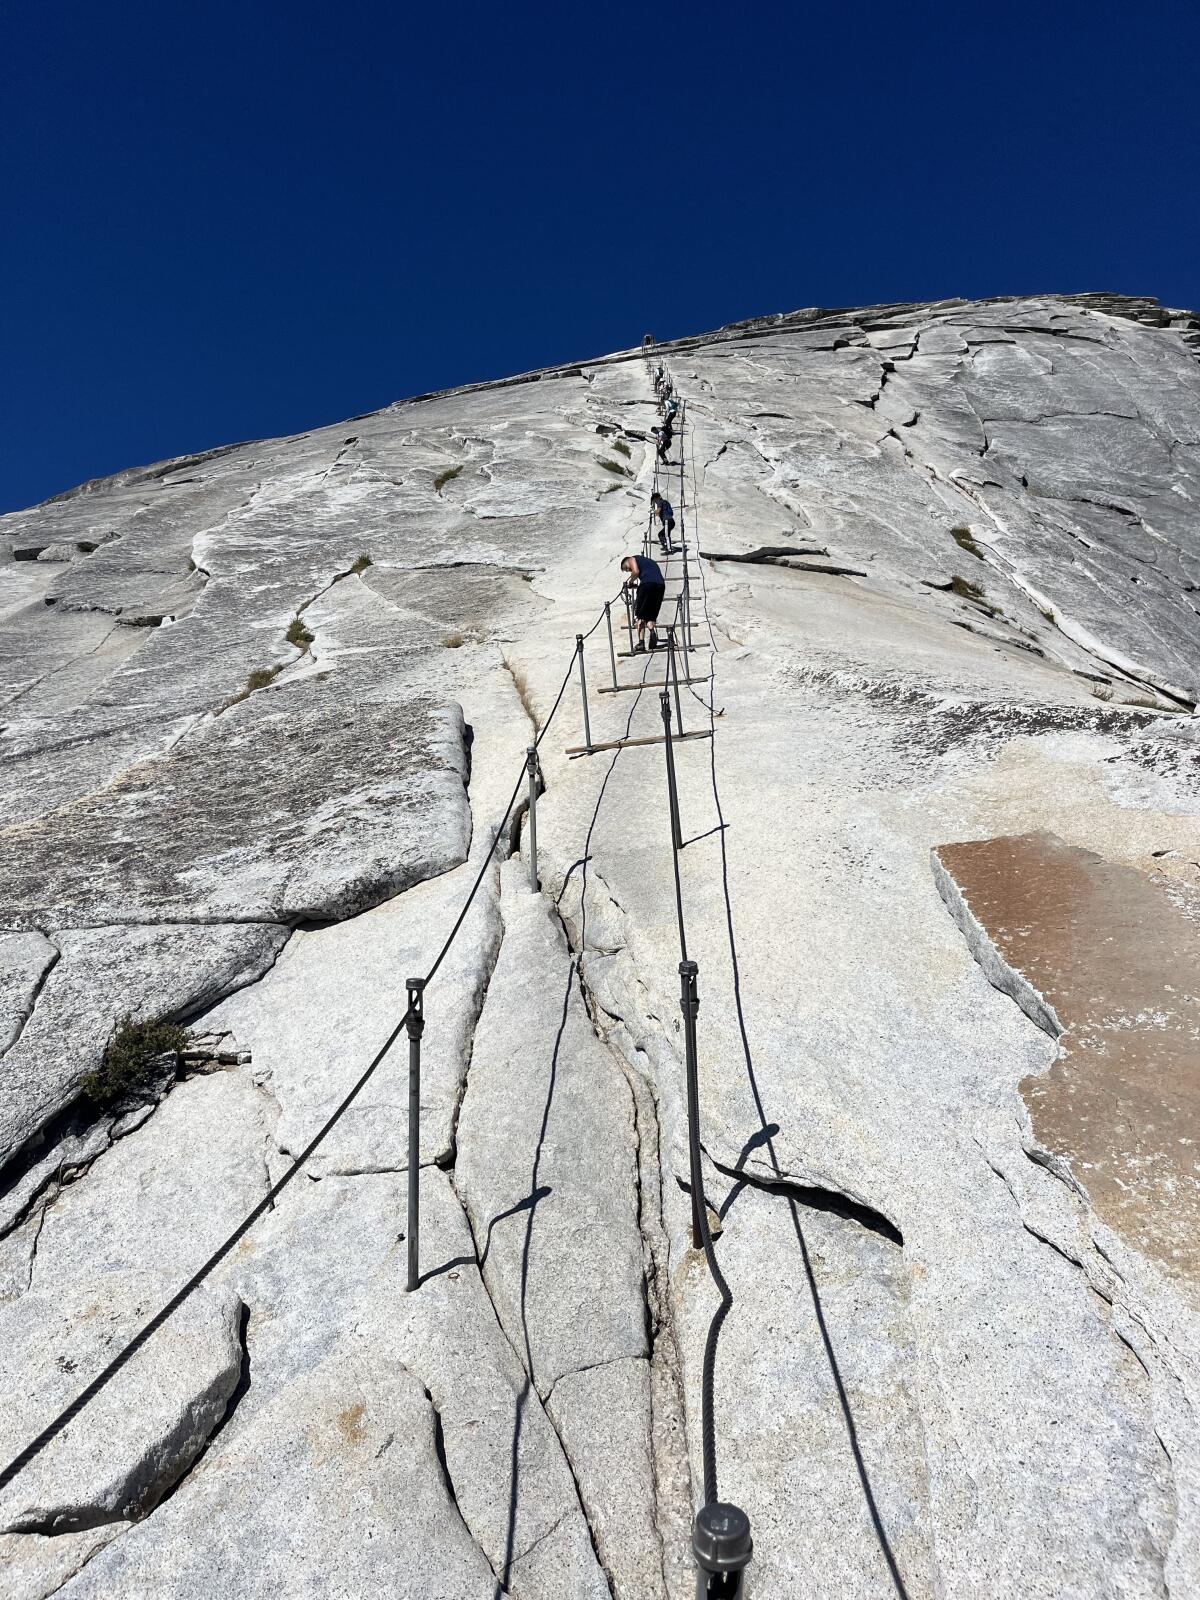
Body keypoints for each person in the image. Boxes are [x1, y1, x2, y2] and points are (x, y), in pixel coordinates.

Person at [622, 554, 666, 652]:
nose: (628, 570)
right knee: (650, 614)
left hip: (647, 584)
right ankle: (651, 630)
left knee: (640, 615)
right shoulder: (648, 562)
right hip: (660, 585)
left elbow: (636, 571)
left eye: (626, 568)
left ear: (626, 561)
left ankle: (641, 643)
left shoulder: (632, 559)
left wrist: (630, 583)